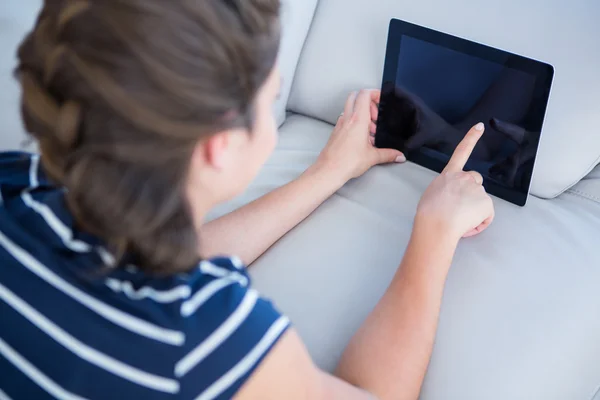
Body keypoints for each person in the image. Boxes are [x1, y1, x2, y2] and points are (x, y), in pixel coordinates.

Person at [0, 1, 494, 399]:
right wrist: (433, 232)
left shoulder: (19, 186)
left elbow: (151, 265)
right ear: (220, 144)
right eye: (270, 94)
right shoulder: (196, 338)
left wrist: (327, 173)